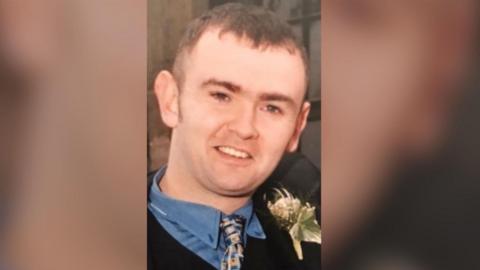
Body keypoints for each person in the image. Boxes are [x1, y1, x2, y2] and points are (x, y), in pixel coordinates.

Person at [148, 3, 319, 270]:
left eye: (272, 108)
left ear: (297, 126)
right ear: (171, 100)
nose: (244, 127)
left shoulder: (309, 216)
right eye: (221, 96)